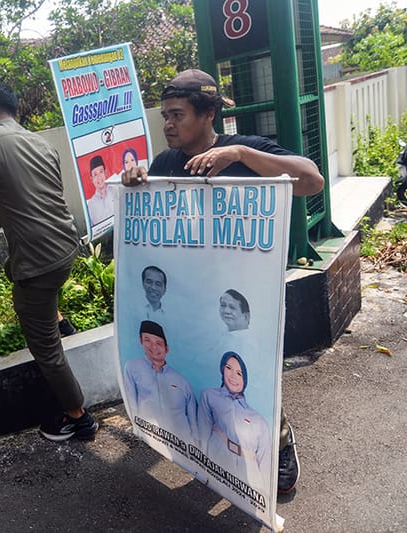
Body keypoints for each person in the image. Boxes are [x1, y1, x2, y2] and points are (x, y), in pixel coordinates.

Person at [122, 68, 323, 493]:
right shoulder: (167, 162)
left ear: (208, 114)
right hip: (193, 300)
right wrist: (135, 182)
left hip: (240, 300)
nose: (168, 124)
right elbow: (150, 210)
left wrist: (240, 155)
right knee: (204, 374)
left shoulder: (245, 151)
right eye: (165, 115)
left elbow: (311, 180)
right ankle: (214, 449)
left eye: (178, 115)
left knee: (251, 372)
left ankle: (279, 442)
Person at [0, 82, 98, 442]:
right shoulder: (41, 143)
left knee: (44, 346)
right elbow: (40, 197)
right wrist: (2, 216)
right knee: (20, 277)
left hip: (38, 260)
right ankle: (59, 320)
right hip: (66, 245)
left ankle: (77, 417)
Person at [197, 351, 272, 490]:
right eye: (229, 368)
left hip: (248, 476)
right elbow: (202, 433)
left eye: (239, 373)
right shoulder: (209, 396)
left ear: (245, 380)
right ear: (222, 369)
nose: (233, 376)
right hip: (216, 462)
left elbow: (265, 461)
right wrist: (202, 467)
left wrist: (264, 492)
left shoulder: (259, 421)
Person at [123, 320, 197, 444]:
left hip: (180, 441)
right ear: (140, 340)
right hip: (150, 435)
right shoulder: (132, 367)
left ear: (166, 349)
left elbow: (193, 418)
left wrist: (195, 442)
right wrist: (138, 429)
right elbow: (131, 401)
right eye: (147, 340)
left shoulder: (181, 381)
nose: (153, 347)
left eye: (158, 343)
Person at [85, 155, 118, 225]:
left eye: (101, 172)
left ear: (105, 173)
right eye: (95, 174)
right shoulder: (90, 206)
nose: (99, 177)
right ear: (91, 179)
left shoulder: (117, 190)